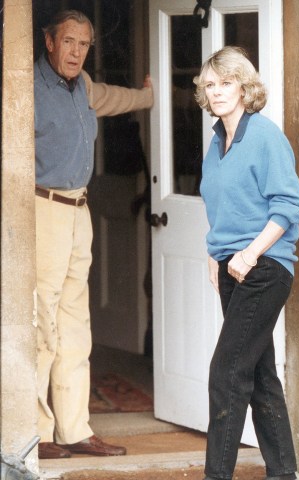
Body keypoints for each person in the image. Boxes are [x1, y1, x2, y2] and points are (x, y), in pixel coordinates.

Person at [34, 10, 153, 459]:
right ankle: (36, 433)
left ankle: (74, 429)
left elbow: (115, 98)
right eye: (69, 42)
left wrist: (149, 95)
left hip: (78, 212)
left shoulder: (82, 86)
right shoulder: (25, 88)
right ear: (50, 42)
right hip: (40, 210)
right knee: (40, 325)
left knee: (74, 326)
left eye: (84, 44)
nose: (76, 52)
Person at [193, 46, 299, 480]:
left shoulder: (264, 135)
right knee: (259, 377)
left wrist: (249, 252)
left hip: (263, 268)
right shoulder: (217, 141)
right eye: (210, 85)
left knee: (226, 373)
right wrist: (213, 251)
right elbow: (218, 202)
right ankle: (283, 474)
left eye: (226, 83)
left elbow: (290, 205)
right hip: (231, 268)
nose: (217, 92)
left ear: (244, 88)